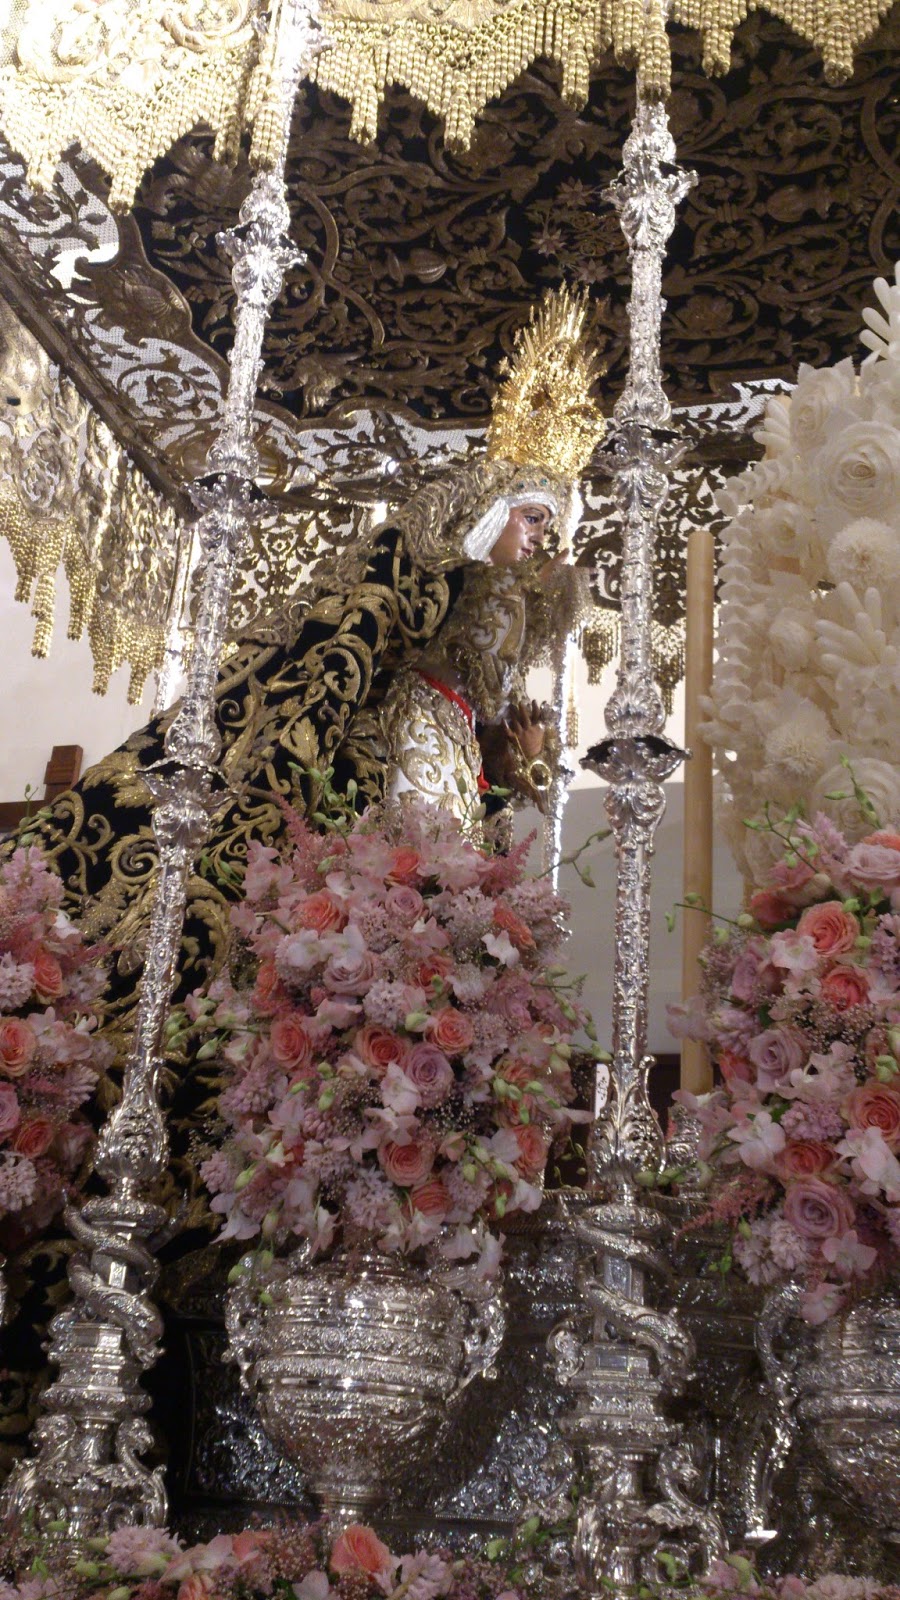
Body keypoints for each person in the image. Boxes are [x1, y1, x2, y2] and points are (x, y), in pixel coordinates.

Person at [7, 288, 605, 1054]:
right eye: (533, 517)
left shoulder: (504, 598)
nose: (542, 539)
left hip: (452, 744)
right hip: (399, 734)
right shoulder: (418, 557)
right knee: (395, 882)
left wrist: (519, 760)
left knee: (445, 904)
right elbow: (361, 627)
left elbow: (492, 698)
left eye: (553, 527)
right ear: (487, 508)